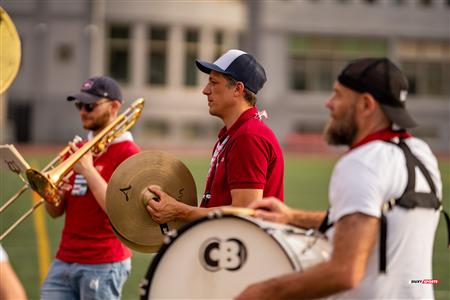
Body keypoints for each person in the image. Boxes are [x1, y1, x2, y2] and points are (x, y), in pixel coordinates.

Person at [236, 58, 446, 300]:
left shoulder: (362, 162)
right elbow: (370, 222)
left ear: (366, 104)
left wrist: (259, 292)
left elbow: (345, 273)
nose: (329, 103)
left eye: (338, 95)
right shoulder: (421, 153)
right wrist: (292, 217)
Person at [145, 49, 284, 224]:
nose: (205, 90)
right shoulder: (235, 134)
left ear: (237, 89)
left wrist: (179, 211)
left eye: (213, 82)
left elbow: (245, 213)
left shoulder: (249, 137)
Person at [41, 76, 140, 299]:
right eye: (79, 105)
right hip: (64, 259)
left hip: (104, 263)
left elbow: (121, 213)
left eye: (90, 106)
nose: (83, 111)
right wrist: (49, 193)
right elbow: (56, 212)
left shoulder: (130, 153)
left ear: (114, 106)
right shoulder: (76, 149)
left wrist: (88, 170)